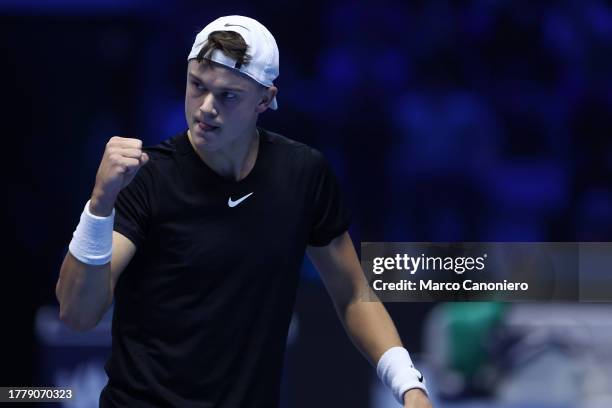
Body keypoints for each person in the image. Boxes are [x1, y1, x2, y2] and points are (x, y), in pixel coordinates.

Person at [55, 15, 432, 408]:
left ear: (265, 100)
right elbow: (77, 314)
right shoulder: (147, 178)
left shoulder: (302, 175)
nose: (206, 108)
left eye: (228, 95)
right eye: (196, 85)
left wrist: (409, 385)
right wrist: (99, 205)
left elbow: (353, 293)